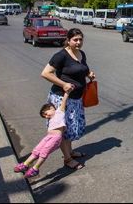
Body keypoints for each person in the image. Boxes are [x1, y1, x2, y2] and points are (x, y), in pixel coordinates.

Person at [41, 28, 96, 170]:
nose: (78, 42)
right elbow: (45, 73)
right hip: (61, 99)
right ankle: (67, 159)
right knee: (63, 131)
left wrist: (89, 74)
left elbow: (82, 69)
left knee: (70, 128)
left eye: (80, 39)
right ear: (68, 40)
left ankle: (70, 152)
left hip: (76, 99)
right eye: (75, 40)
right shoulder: (61, 56)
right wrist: (63, 84)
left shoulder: (81, 54)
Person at [14, 90, 72, 178]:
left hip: (56, 137)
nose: (45, 116)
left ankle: (35, 169)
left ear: (52, 108)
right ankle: (25, 164)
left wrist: (67, 93)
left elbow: (63, 102)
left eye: (45, 113)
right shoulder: (50, 119)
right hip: (49, 137)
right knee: (37, 150)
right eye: (44, 116)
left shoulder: (59, 113)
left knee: (44, 152)